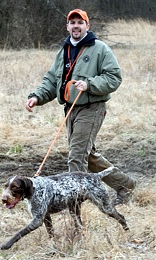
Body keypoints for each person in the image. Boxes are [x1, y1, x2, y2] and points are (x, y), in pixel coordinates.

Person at [25, 9, 136, 205]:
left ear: (87, 26)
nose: (76, 26)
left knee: (76, 156)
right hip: (70, 109)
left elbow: (114, 78)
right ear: (67, 26)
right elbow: (51, 81)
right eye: (72, 22)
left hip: (92, 108)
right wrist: (36, 97)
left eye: (80, 22)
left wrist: (90, 84)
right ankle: (124, 184)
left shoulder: (100, 49)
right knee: (89, 156)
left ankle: (72, 203)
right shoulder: (64, 51)